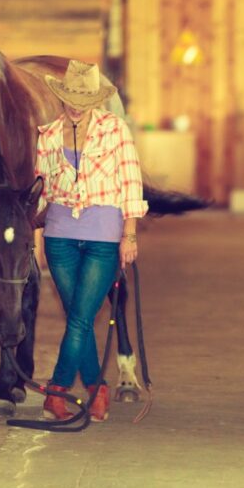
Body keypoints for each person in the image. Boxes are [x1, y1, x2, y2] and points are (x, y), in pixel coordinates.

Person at [34, 60, 148, 422]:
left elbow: (130, 183)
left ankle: (57, 390)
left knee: (81, 319)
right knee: (77, 318)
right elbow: (42, 188)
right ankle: (98, 389)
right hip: (59, 236)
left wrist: (129, 235)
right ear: (62, 96)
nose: (76, 104)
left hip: (103, 235)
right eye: (71, 97)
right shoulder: (49, 135)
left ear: (95, 100)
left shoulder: (115, 130)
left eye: (84, 98)